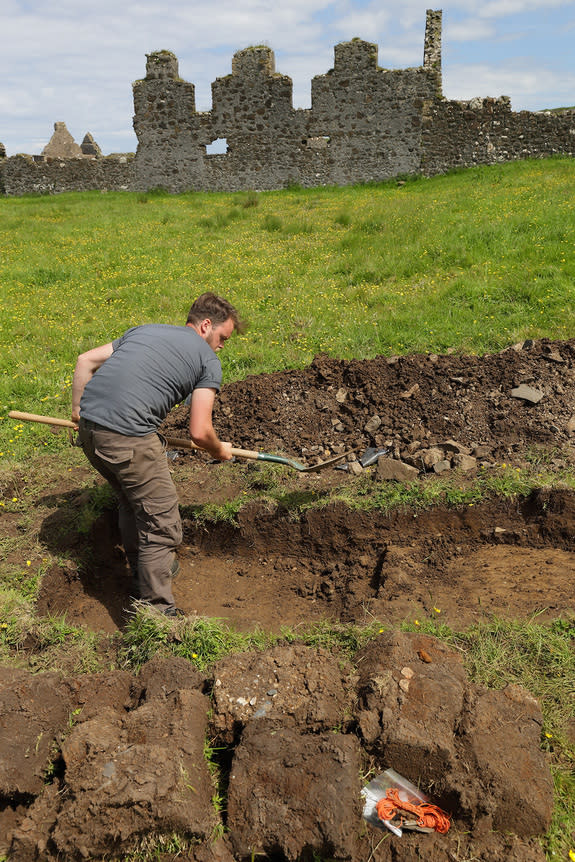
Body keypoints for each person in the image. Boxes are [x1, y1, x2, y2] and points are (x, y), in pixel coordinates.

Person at [71, 292, 243, 617]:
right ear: (207, 325)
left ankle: (142, 573)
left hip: (91, 433)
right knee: (163, 523)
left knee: (132, 502)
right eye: (222, 338)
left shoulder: (144, 330)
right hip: (127, 438)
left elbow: (84, 361)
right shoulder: (207, 361)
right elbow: (199, 431)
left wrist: (78, 411)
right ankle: (158, 614)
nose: (222, 346)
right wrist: (221, 449)